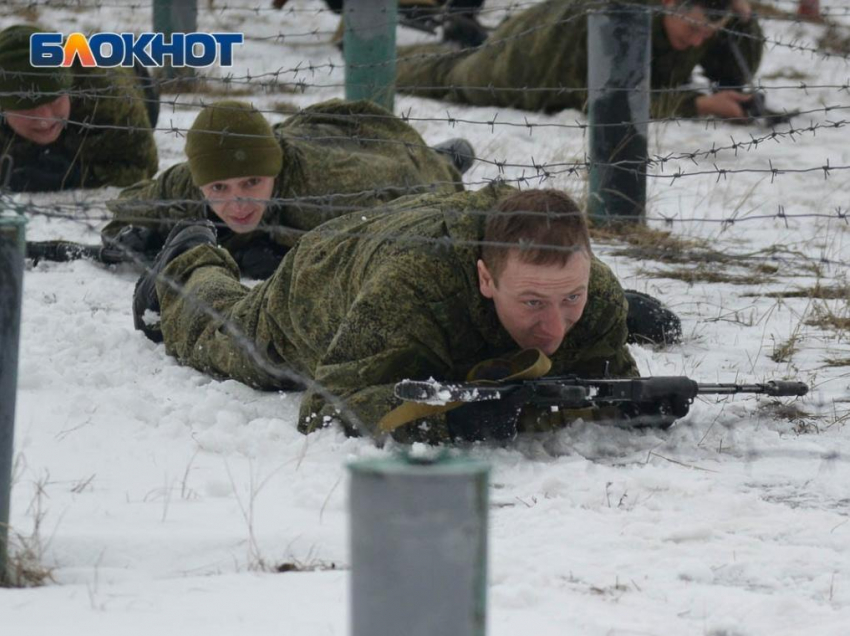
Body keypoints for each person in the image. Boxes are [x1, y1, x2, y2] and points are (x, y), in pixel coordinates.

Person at [131, 185, 655, 444]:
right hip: (331, 273)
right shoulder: (411, 290)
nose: (556, 328)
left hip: (430, 229)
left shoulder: (599, 294)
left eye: (571, 300)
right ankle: (190, 257)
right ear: (486, 279)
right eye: (534, 304)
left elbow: (602, 375)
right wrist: (454, 420)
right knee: (227, 341)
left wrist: (639, 403)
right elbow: (329, 406)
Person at [103, 98, 472, 279]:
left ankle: (446, 154)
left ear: (273, 173)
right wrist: (141, 233)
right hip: (286, 137)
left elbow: (428, 213)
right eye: (219, 188)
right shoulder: (190, 180)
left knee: (428, 165)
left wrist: (288, 254)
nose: (238, 202)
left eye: (252, 182)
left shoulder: (333, 191)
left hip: (366, 154)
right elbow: (125, 206)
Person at [394, 0, 764, 120]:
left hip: (552, 44)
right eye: (694, 30)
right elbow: (602, 98)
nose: (700, 40)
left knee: (461, 55)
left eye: (710, 33)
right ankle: (372, 52)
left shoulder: (700, 18)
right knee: (449, 74)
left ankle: (463, 35)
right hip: (524, 67)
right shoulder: (616, 21)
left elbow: (731, 62)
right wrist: (698, 104)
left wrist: (745, 20)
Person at [0, 24, 158, 192]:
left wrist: (77, 176)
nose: (44, 120)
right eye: (28, 108)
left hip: (132, 78)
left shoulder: (106, 98)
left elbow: (144, 168)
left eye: (54, 101)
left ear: (69, 89)